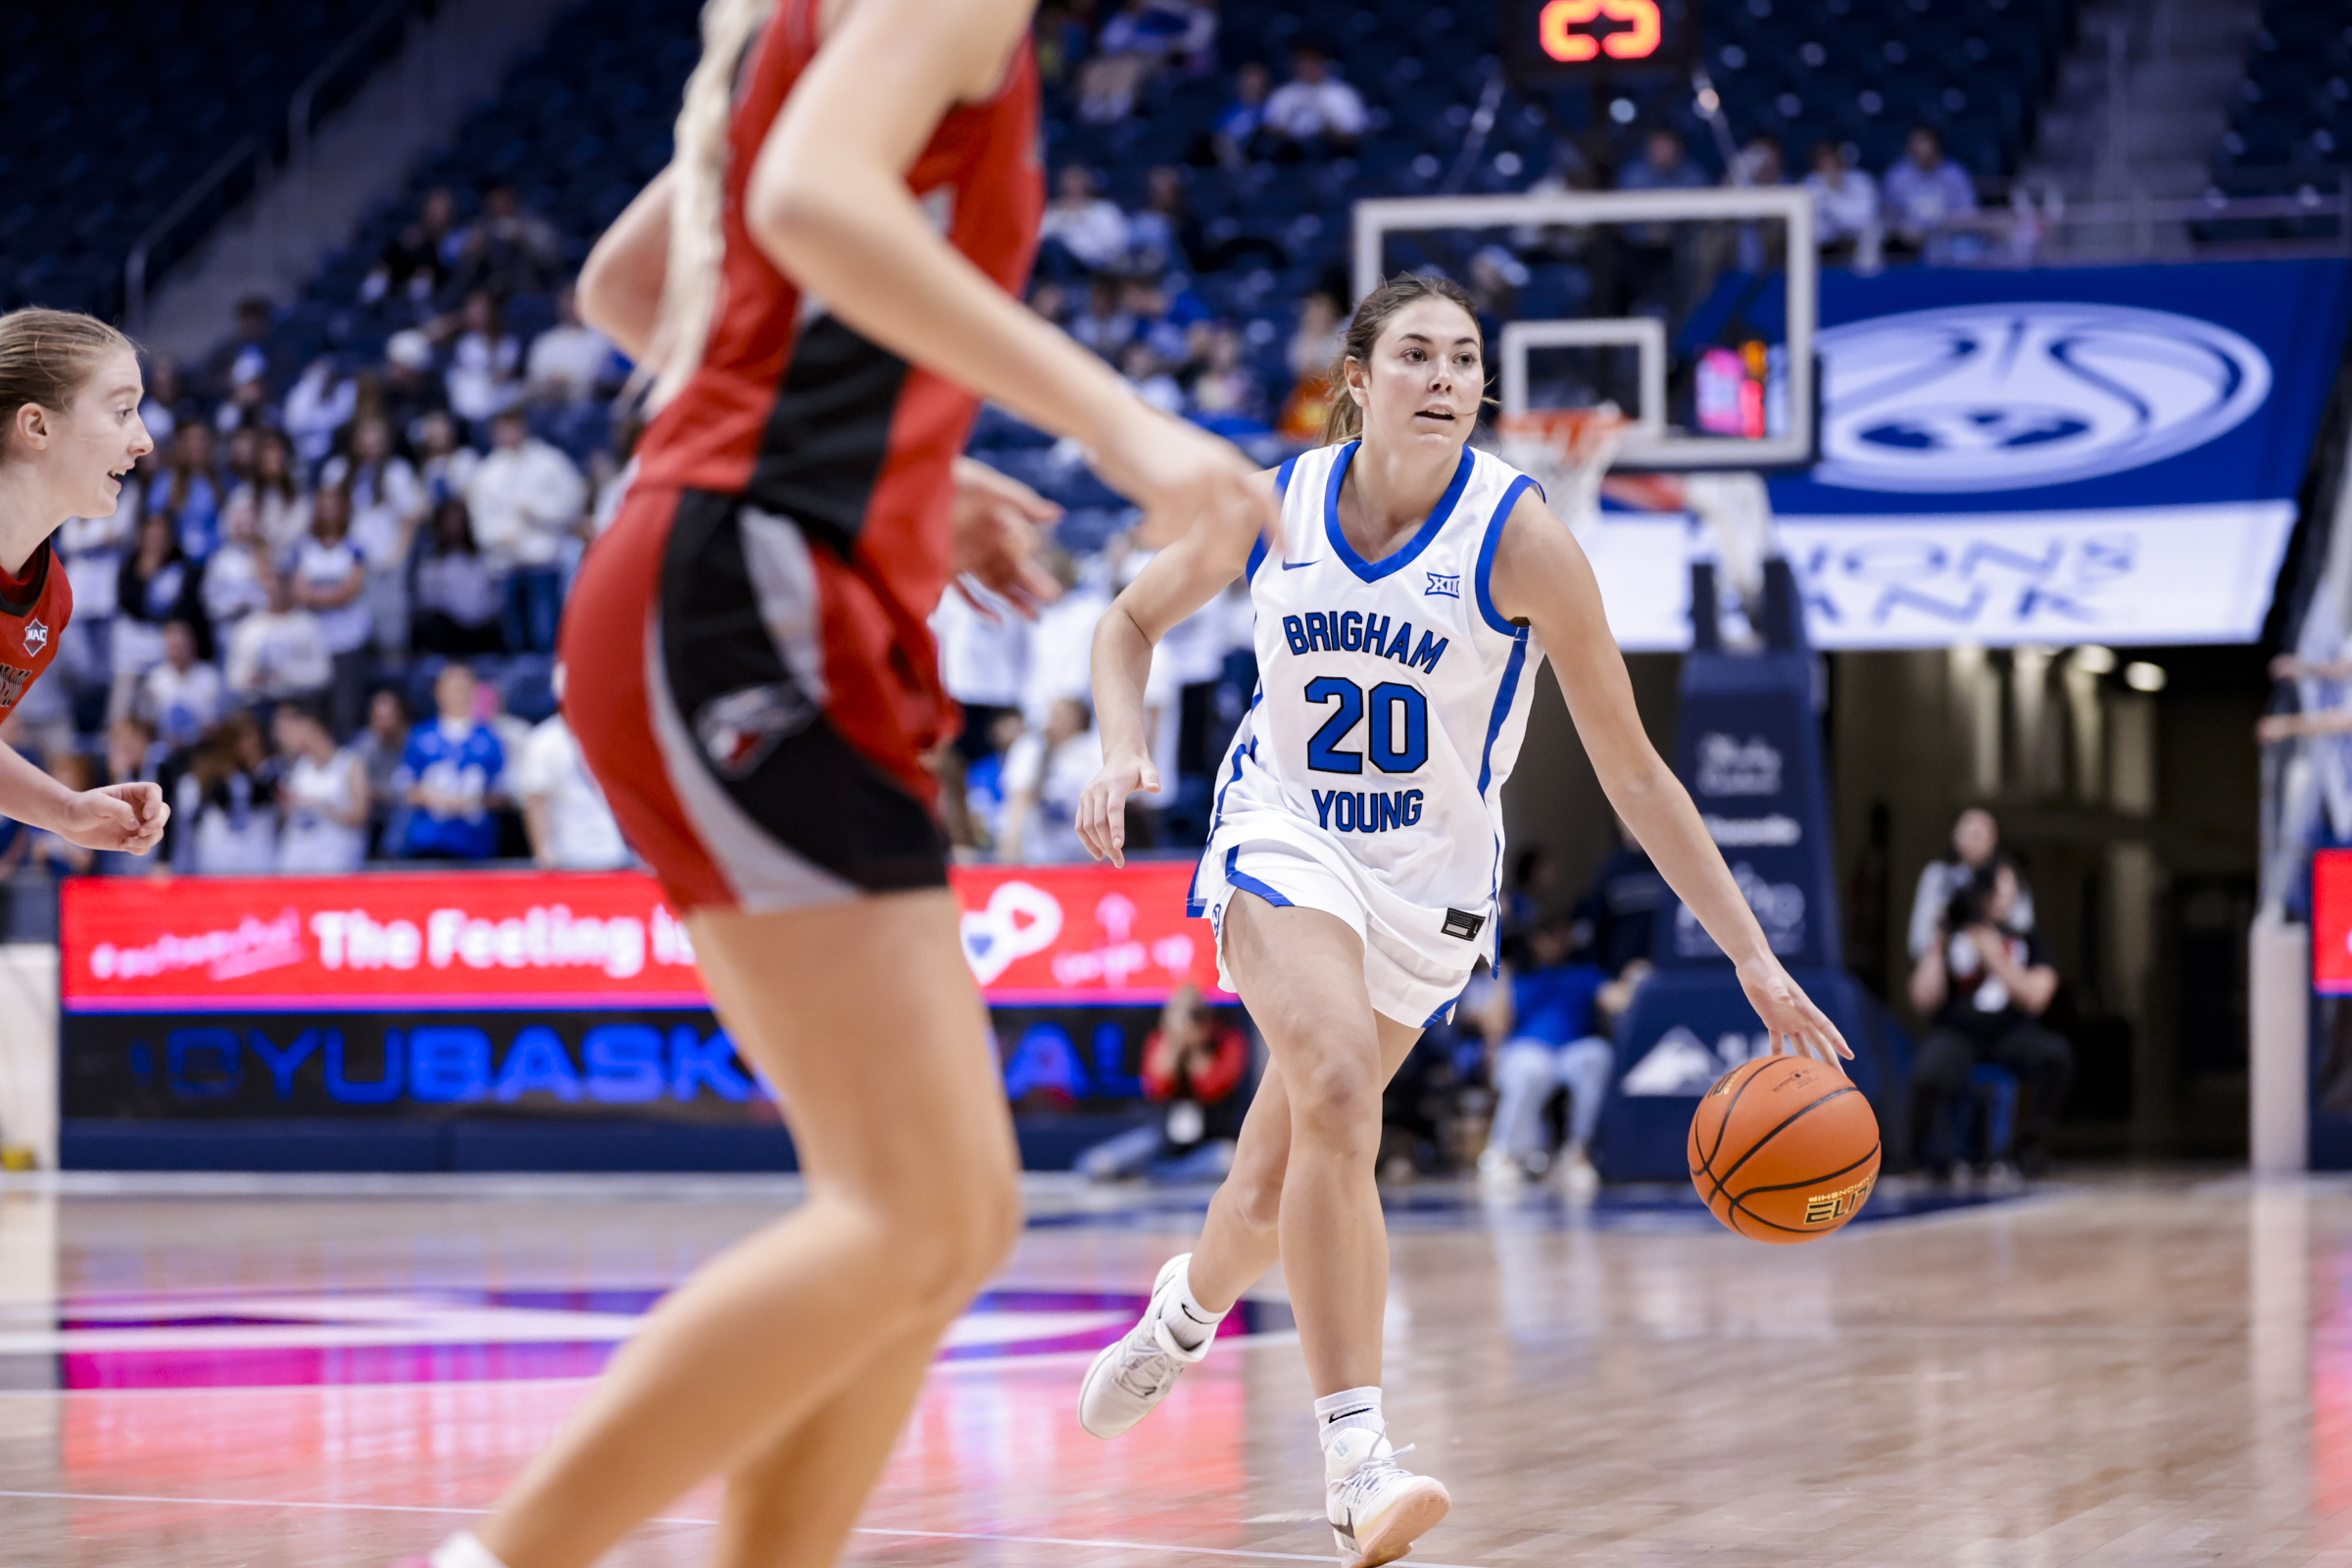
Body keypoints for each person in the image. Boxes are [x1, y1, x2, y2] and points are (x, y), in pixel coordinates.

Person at [387, 3, 1271, 1567]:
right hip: (745, 584)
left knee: (914, 1223)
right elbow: (807, 202)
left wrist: (916, 463)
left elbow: (636, 286)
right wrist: (1130, 430)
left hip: (745, 573)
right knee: (930, 1215)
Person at [1071, 273, 1848, 1568]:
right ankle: (1357, 1458)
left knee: (1275, 1176)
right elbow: (1125, 621)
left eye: (1465, 361)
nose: (1444, 378)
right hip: (1285, 831)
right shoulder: (1277, 505)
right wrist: (1116, 747)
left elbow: (1635, 771)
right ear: (1356, 382)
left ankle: (1184, 1316)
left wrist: (1755, 957)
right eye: (1416, 355)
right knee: (1328, 1085)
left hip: (1430, 888)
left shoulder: (1523, 537)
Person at [0, 309, 170, 858]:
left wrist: (65, 811)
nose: (144, 440)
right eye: (122, 411)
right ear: (37, 426)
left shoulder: (52, 599)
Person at [1906, 858, 2071, 1179]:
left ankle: (2027, 1146)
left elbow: (2037, 998)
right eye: (2002, 888)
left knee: (2056, 1057)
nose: (2008, 896)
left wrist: (1994, 956)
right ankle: (1939, 1156)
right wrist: (1939, 943)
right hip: (1959, 1031)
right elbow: (1921, 999)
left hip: (2009, 1031)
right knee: (1929, 1071)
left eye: (2012, 889)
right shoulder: (1952, 937)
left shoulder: (2028, 940)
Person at [1473, 913, 1611, 1193]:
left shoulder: (1584, 972)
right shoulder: (1517, 976)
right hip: (1526, 1048)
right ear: (1534, 940)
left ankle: (1578, 1152)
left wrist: (1638, 979)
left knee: (1597, 1056)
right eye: (1547, 935)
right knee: (1533, 1069)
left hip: (1572, 1049)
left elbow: (1615, 998)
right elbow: (1494, 1024)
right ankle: (1503, 1154)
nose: (1554, 942)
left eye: (1560, 934)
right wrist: (1503, 980)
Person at [1076, 983, 1252, 1181]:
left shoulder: (1228, 1042)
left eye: (1198, 1014)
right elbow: (1157, 1088)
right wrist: (1175, 1042)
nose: (1193, 1022)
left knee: (1226, 1159)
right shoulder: (1160, 1040)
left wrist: (1197, 1049)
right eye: (1186, 1014)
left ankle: (1163, 1177)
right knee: (1098, 1164)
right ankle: (1156, 1173)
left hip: (1209, 1140)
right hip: (1161, 1136)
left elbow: (1212, 1089)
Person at [464, 408, 586, 655]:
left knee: (547, 634)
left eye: (513, 427)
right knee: (515, 638)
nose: (508, 434)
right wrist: (503, 535)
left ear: (523, 427)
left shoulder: (550, 461)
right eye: (502, 429)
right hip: (507, 562)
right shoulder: (486, 473)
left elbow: (573, 501)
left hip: (544, 560)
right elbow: (480, 522)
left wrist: (536, 511)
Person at [393, 661, 506, 862]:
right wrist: (438, 800)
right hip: (429, 840)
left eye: (463, 689)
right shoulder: (421, 736)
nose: (457, 695)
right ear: (438, 691)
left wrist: (473, 801)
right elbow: (405, 788)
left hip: (476, 841)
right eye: (452, 688)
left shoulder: (489, 739)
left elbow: (502, 792)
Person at [514, 704, 631, 870]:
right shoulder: (545, 739)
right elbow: (536, 800)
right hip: (567, 852)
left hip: (615, 849)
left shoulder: (610, 733)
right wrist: (542, 851)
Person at [1907, 806, 2034, 959]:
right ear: (1954, 836)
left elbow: (2025, 925)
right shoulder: (1939, 876)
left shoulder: (2005, 875)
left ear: (1993, 839)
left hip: (1998, 961)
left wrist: (1992, 916)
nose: (1974, 841)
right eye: (1968, 833)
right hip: (1949, 960)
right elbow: (1918, 940)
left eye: (1979, 834)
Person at [1000, 694, 1102, 862]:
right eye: (1054, 714)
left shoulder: (1092, 749)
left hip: (1081, 848)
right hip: (1037, 850)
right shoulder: (1029, 748)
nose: (1057, 720)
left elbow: (1100, 801)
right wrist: (1010, 846)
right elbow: (1018, 799)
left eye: (1064, 714)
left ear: (1079, 717)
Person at [273, 701, 369, 874]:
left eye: (294, 728)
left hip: (336, 859)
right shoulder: (298, 767)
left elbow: (360, 815)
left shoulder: (349, 763)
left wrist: (321, 807)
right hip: (298, 860)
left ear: (312, 727)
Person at [224, 567, 332, 708]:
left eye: (280, 584)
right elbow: (233, 678)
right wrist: (249, 678)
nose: (274, 591)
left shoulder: (307, 624)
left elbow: (323, 674)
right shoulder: (248, 628)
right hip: (259, 704)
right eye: (269, 586)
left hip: (300, 702)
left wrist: (285, 674)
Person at [1882, 124, 1978, 257]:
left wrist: (1943, 222)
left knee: (1969, 250)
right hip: (1908, 242)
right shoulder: (1897, 176)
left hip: (1950, 236)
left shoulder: (1955, 174)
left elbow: (1969, 211)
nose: (1922, 148)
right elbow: (1888, 212)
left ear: (1937, 145)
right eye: (1917, 142)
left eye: (1926, 142)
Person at [137, 618, 226, 752]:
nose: (177, 651)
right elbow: (147, 723)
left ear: (192, 643)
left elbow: (217, 724)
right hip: (165, 748)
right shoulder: (155, 679)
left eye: (181, 645)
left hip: (203, 748)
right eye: (173, 646)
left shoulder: (210, 678)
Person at [1260, 44, 1367, 154]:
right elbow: (1270, 127)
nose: (1307, 68)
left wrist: (1326, 132)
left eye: (1312, 62)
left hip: (1332, 153)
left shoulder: (1343, 93)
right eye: (1303, 63)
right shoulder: (1284, 94)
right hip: (1291, 153)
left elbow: (1355, 131)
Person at [1804, 140, 1882, 269]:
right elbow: (1814, 225)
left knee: (1873, 232)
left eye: (1832, 160)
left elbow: (1867, 215)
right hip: (1822, 244)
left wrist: (1835, 206)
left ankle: (1866, 281)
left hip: (1856, 240)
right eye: (1824, 161)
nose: (1829, 165)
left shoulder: (1861, 181)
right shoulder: (1809, 185)